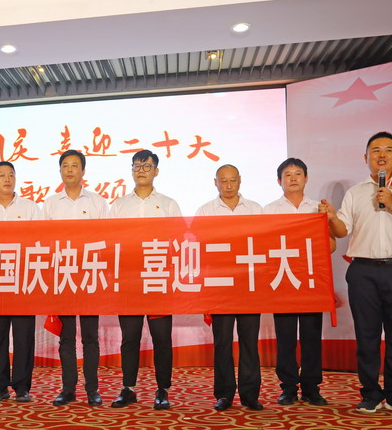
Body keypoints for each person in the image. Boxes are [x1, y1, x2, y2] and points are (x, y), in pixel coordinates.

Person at [322, 132, 392, 416]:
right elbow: (342, 231)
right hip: (363, 272)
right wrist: (332, 218)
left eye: (388, 150)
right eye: (376, 150)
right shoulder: (356, 193)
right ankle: (370, 393)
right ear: (366, 157)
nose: (382, 155)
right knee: (366, 336)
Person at [109, 149, 181, 410]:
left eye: (146, 166)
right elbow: (109, 241)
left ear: (156, 171)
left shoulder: (169, 204)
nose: (141, 170)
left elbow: (178, 241)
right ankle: (128, 388)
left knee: (162, 337)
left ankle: (163, 389)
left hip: (158, 278)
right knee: (130, 337)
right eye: (137, 166)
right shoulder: (118, 205)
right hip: (129, 280)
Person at [263, 159, 336, 407]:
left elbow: (332, 245)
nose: (293, 178)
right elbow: (263, 245)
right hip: (282, 278)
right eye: (287, 174)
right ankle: (288, 387)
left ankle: (311, 388)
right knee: (285, 337)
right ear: (279, 181)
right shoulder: (269, 210)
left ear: (306, 178)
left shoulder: (318, 208)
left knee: (311, 335)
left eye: (297, 174)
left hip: (311, 280)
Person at [41, 149, 109, 406]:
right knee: (66, 337)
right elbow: (43, 241)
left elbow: (107, 239)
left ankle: (92, 389)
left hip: (90, 274)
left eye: (74, 165)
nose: (69, 170)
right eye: (65, 166)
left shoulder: (98, 202)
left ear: (83, 171)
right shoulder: (50, 204)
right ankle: (68, 388)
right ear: (60, 171)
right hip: (62, 276)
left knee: (91, 337)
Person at [195, 164, 264, 412]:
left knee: (249, 341)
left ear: (240, 180)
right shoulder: (205, 211)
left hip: (248, 284)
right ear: (215, 182)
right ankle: (224, 394)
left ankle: (250, 394)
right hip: (220, 285)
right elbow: (198, 246)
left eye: (232, 180)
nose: (228, 185)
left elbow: (264, 243)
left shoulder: (255, 209)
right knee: (222, 342)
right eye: (223, 181)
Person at [0, 161, 40, 403]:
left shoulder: (30, 208)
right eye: (1, 175)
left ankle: (22, 386)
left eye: (11, 175)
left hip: (23, 280)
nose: (7, 179)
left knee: (24, 337)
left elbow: (39, 242)